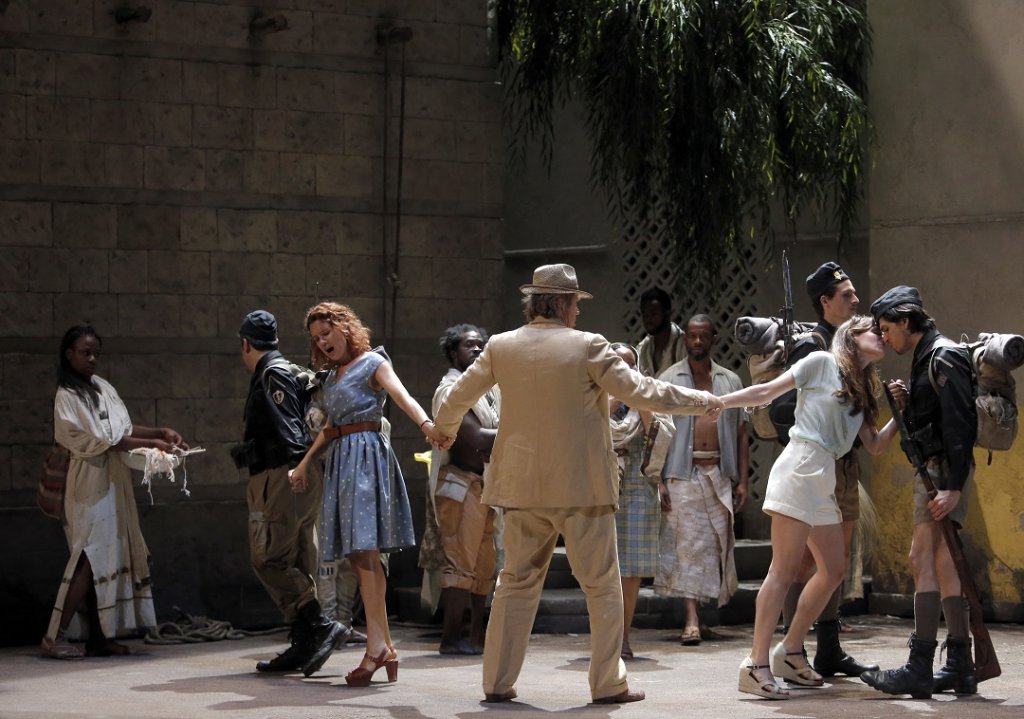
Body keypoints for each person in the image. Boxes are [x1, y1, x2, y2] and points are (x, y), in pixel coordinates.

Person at [432, 263, 725, 705]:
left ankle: (496, 682)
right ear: (565, 304)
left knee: (514, 584)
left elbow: (457, 398)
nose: (577, 313)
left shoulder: (501, 346)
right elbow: (642, 391)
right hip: (581, 487)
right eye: (575, 304)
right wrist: (701, 401)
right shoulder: (588, 346)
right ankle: (607, 682)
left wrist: (442, 429)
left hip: (521, 488)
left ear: (534, 302)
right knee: (602, 586)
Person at [712, 315, 898, 699]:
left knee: (833, 569)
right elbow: (767, 392)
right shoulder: (822, 362)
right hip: (800, 465)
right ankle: (755, 664)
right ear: (852, 336)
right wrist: (721, 402)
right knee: (782, 571)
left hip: (824, 475)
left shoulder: (860, 387)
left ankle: (791, 651)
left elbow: (876, 445)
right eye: (874, 330)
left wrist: (902, 413)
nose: (882, 336)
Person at [288, 302, 449, 687]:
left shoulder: (372, 363)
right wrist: (305, 463)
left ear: (345, 328)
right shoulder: (334, 375)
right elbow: (329, 426)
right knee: (360, 555)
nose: (323, 342)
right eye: (316, 338)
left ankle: (377, 648)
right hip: (342, 458)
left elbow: (402, 395)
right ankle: (384, 646)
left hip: (365, 456)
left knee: (365, 552)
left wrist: (428, 424)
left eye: (327, 333)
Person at [41, 325, 190, 659]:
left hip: (112, 480)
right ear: (69, 354)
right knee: (88, 557)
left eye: (96, 353)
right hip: (87, 482)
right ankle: (55, 635)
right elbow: (102, 441)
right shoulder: (67, 396)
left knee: (106, 558)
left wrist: (159, 431)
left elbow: (121, 429)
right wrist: (152, 442)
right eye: (85, 352)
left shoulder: (102, 387)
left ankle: (99, 637)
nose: (92, 359)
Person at [860, 286, 978, 698]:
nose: (884, 336)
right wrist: (910, 402)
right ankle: (960, 664)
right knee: (944, 564)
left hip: (941, 473)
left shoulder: (942, 355)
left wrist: (953, 487)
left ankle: (920, 666)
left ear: (906, 322)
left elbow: (962, 426)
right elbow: (937, 417)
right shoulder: (927, 356)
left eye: (887, 328)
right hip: (935, 471)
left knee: (920, 557)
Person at [768, 261, 878, 677]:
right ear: (825, 301)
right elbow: (784, 407)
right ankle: (791, 647)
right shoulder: (813, 345)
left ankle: (828, 648)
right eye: (846, 295)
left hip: (844, 468)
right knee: (798, 565)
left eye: (853, 294)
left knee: (837, 563)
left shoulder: (855, 345)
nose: (854, 301)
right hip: (813, 467)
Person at [234, 310, 343, 676]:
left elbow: (289, 427)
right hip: (298, 474)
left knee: (269, 558)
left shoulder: (272, 373)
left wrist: (297, 468)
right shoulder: (286, 370)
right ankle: (304, 641)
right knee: (296, 559)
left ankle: (318, 623)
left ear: (245, 343)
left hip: (282, 476)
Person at [654, 315, 749, 646]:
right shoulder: (669, 380)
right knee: (686, 546)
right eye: (691, 336)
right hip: (682, 473)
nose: (696, 341)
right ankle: (691, 619)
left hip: (719, 473)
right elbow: (658, 432)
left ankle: (703, 617)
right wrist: (659, 479)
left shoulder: (730, 380)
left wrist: (742, 481)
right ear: (685, 340)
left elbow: (740, 432)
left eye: (702, 336)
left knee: (714, 545)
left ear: (713, 339)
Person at [428, 324, 501, 655]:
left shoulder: (489, 390)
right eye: (468, 345)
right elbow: (476, 439)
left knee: (485, 565)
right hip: (461, 483)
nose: (476, 349)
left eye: (480, 345)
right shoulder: (451, 390)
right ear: (452, 352)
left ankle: (475, 635)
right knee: (460, 564)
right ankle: (451, 637)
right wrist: (524, 431)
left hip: (487, 484)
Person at [606, 342, 660, 660]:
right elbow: (590, 422)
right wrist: (617, 392)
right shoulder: (593, 394)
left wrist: (638, 394)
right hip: (601, 490)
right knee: (602, 568)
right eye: (616, 363)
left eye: (629, 364)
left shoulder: (646, 393)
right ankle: (606, 634)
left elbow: (658, 433)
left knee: (631, 570)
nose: (623, 368)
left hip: (638, 490)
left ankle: (623, 636)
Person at [637, 287, 688, 376]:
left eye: (654, 314)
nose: (648, 319)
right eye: (645, 315)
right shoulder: (643, 348)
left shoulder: (684, 346)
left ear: (668, 314)